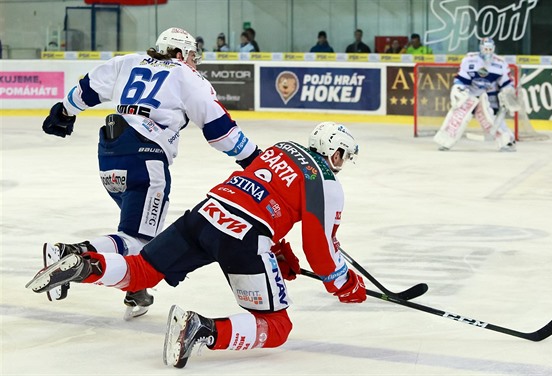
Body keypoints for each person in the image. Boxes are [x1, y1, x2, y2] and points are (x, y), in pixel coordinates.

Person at [27, 121, 367, 368]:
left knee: (142, 271)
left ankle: (87, 264)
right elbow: (320, 250)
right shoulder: (325, 182)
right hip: (244, 236)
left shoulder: (281, 148)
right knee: (277, 327)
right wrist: (343, 283)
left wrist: (277, 251)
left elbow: (264, 194)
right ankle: (202, 329)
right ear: (334, 152)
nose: (341, 164)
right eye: (342, 156)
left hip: (205, 214)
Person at [36, 26, 262, 320]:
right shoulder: (186, 75)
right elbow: (220, 131)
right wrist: (256, 160)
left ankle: (135, 288)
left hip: (110, 154)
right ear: (179, 53)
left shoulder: (128, 62)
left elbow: (88, 89)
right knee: (141, 237)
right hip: (146, 159)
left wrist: (64, 112)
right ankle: (71, 254)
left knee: (133, 230)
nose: (194, 62)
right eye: (192, 55)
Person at [433, 37, 517, 152]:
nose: (487, 51)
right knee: (458, 115)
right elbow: (462, 79)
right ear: (480, 48)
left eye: (490, 48)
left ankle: (507, 142)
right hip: (470, 93)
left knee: (490, 118)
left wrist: (509, 94)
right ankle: (445, 141)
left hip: (488, 94)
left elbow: (506, 83)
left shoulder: (500, 63)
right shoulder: (470, 60)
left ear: (493, 48)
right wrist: (458, 88)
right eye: (485, 48)